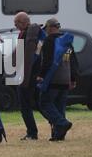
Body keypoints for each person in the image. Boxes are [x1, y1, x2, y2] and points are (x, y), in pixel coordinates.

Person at [37, 18, 79, 141]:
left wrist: (41, 75)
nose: (46, 31)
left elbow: (47, 61)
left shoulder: (49, 40)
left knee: (44, 103)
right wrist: (73, 78)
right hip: (65, 78)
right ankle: (58, 135)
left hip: (53, 78)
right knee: (59, 107)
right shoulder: (67, 41)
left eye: (46, 29)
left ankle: (62, 123)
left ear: (50, 27)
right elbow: (73, 60)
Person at [13, 11, 44, 141]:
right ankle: (58, 123)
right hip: (32, 74)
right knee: (38, 104)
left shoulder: (29, 35)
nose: (16, 26)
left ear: (24, 22)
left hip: (28, 76)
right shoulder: (30, 34)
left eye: (17, 23)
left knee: (25, 105)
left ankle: (32, 132)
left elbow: (28, 57)